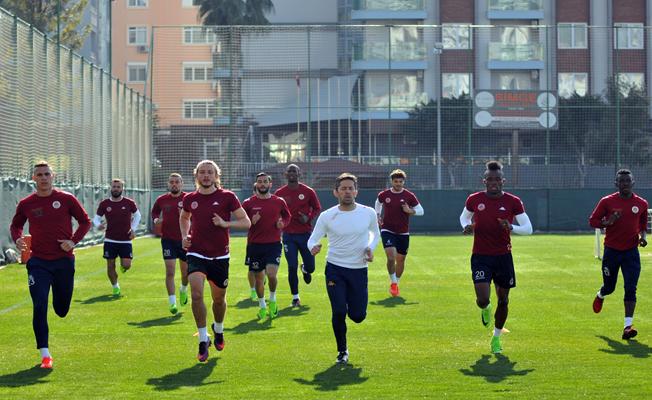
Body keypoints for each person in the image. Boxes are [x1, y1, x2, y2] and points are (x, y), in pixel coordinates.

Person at [10, 161, 91, 369]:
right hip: (38, 262)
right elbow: (16, 225)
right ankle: (45, 354)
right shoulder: (26, 203)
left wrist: (73, 241)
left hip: (64, 261)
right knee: (39, 303)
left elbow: (85, 221)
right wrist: (17, 238)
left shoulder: (66, 199)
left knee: (61, 309)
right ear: (33, 179)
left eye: (47, 174)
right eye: (39, 175)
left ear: (53, 176)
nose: (43, 178)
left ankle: (60, 305)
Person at [180, 160, 251, 362]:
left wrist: (224, 223)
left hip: (220, 256)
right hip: (196, 253)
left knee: (218, 300)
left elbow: (246, 222)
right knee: (196, 294)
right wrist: (185, 235)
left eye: (210, 172)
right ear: (196, 176)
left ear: (216, 176)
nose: (206, 176)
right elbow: (184, 218)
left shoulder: (227, 197)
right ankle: (203, 339)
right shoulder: (189, 198)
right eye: (202, 172)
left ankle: (218, 329)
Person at [459, 161, 532, 354]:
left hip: (503, 257)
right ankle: (485, 308)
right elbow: (464, 217)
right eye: (490, 179)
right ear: (484, 181)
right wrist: (465, 226)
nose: (493, 182)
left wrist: (511, 227)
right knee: (483, 299)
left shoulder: (513, 201)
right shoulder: (474, 199)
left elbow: (528, 228)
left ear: (503, 181)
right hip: (481, 256)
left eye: (497, 179)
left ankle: (496, 337)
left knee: (504, 300)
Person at [308, 173, 380, 364]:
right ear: (336, 192)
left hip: (359, 270)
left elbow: (375, 234)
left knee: (357, 316)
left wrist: (370, 248)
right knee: (339, 311)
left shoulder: (368, 212)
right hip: (335, 269)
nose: (347, 192)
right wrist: (313, 248)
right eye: (343, 188)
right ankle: (342, 351)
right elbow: (312, 239)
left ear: (356, 191)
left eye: (351, 188)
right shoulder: (327, 216)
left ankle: (353, 306)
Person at [589, 169, 648, 340]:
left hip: (631, 253)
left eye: (627, 181)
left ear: (633, 182)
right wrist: (608, 222)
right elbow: (592, 220)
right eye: (621, 181)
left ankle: (627, 327)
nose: (625, 184)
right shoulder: (607, 202)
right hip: (612, 252)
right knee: (610, 287)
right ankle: (601, 294)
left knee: (631, 288)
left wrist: (643, 238)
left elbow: (643, 225)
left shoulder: (641, 203)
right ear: (616, 184)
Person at [242, 173, 291, 320]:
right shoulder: (248, 203)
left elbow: (287, 216)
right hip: (255, 246)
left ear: (270, 184)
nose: (262, 184)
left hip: (274, 244)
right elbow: (241, 221)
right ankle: (262, 306)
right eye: (259, 182)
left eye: (265, 182)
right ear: (256, 184)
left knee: (271, 275)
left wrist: (283, 223)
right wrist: (251, 220)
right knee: (258, 278)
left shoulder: (278, 201)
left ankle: (273, 300)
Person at [275, 164, 322, 307]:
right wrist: (280, 222)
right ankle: (295, 298)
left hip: (306, 235)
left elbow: (317, 208)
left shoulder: (308, 191)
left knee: (311, 267)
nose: (291, 173)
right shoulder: (279, 193)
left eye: (294, 171)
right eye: (289, 171)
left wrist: (308, 217)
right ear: (285, 174)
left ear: (299, 174)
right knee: (291, 266)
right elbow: (276, 211)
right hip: (288, 235)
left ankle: (305, 269)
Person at [374, 169, 424, 297]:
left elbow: (421, 211)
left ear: (403, 182)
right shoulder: (384, 194)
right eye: (395, 181)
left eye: (400, 181)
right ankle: (393, 282)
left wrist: (410, 210)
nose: (398, 184)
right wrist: (378, 215)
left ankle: (396, 282)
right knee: (391, 257)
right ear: (391, 181)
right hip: (387, 229)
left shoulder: (409, 196)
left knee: (400, 260)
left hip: (403, 232)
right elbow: (378, 203)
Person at [93, 179, 141, 296]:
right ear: (111, 188)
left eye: (118, 187)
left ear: (122, 189)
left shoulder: (129, 203)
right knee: (110, 265)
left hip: (125, 240)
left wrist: (133, 230)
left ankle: (123, 267)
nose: (116, 189)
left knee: (126, 265)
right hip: (110, 239)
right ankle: (115, 287)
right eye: (114, 186)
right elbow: (96, 218)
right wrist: (98, 225)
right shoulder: (105, 204)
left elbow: (137, 215)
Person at [151, 173, 189, 315]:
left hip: (184, 240)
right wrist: (156, 221)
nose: (174, 184)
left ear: (181, 184)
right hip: (168, 240)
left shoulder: (188, 199)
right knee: (170, 272)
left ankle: (183, 289)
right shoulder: (162, 199)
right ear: (168, 184)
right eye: (172, 182)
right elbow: (154, 212)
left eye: (177, 182)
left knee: (186, 273)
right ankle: (172, 303)